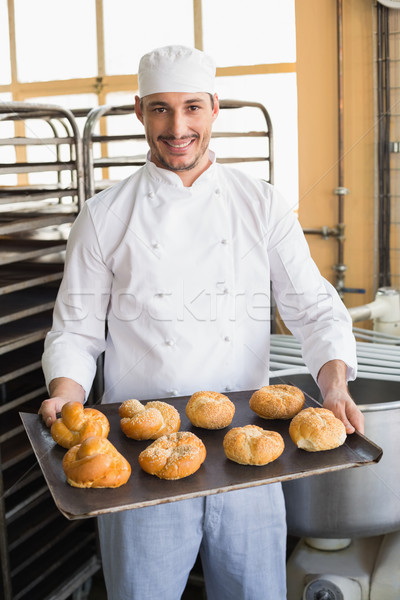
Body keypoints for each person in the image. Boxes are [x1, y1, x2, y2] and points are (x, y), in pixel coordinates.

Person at [39, 45, 364, 600]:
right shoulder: (103, 215)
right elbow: (77, 329)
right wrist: (63, 398)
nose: (178, 126)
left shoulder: (260, 204)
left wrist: (333, 387)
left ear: (214, 109)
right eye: (161, 110)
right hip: (140, 465)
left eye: (192, 107)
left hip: (248, 458)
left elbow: (312, 306)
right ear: (139, 112)